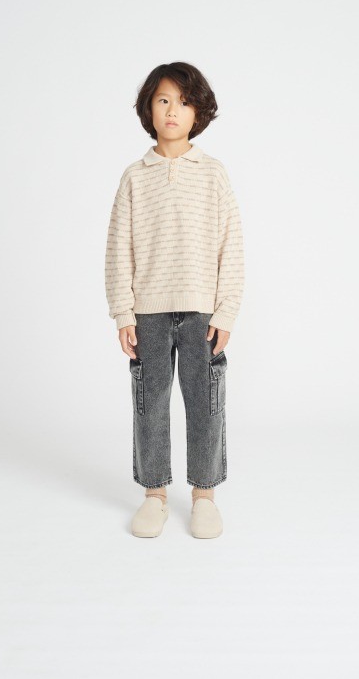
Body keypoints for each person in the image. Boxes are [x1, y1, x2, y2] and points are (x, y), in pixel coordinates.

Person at [104, 61, 245, 538]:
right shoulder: (134, 177)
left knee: (205, 402)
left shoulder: (213, 174)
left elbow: (231, 245)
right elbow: (118, 248)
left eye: (183, 102)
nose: (172, 110)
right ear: (148, 108)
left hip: (202, 309)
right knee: (150, 404)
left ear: (197, 112)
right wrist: (123, 312)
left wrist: (226, 310)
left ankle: (204, 496)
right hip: (148, 310)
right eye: (163, 100)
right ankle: (155, 495)